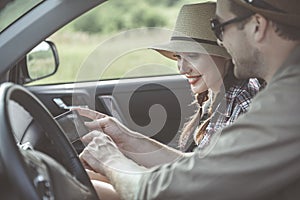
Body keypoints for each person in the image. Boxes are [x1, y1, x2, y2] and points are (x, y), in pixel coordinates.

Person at [80, 0, 300, 199]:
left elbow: (189, 186)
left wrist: (111, 160)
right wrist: (128, 139)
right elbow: (205, 170)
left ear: (257, 26)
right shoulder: (278, 93)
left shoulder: (286, 102)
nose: (220, 41)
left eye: (219, 27)